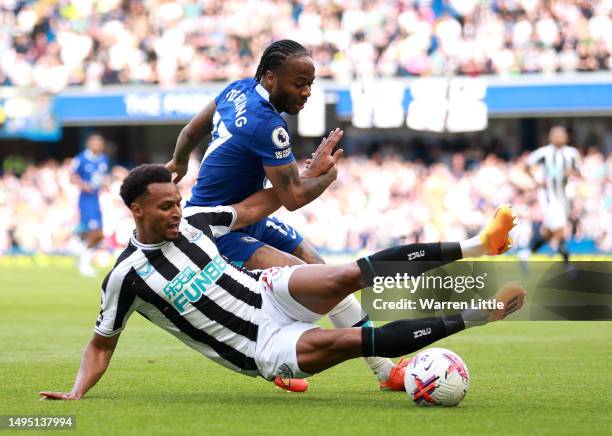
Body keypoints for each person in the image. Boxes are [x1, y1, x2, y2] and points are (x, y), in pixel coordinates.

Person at [40, 164, 525, 401]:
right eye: (165, 207)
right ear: (137, 210)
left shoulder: (198, 223)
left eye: (178, 203)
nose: (176, 213)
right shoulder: (126, 276)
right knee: (358, 340)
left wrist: (303, 180)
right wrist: (78, 392)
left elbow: (254, 208)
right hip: (263, 346)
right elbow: (101, 344)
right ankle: (481, 314)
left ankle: (477, 245)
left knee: (349, 273)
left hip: (266, 291)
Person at [166, 40, 398, 392]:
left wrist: (180, 161)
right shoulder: (269, 126)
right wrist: (327, 175)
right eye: (298, 83)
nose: (306, 92)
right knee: (303, 277)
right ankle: (281, 358)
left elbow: (190, 131)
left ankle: (383, 370)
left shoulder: (238, 88)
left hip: (249, 211)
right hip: (217, 225)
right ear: (271, 78)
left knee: (320, 268)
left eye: (310, 83)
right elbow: (293, 197)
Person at [524, 126, 580, 263]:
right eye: (555, 134)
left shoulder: (572, 153)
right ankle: (568, 265)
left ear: (567, 137)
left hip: (564, 197)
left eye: (561, 134)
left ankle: (526, 253)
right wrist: (537, 180)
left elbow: (579, 172)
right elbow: (526, 166)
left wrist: (571, 173)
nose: (559, 137)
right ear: (550, 137)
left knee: (549, 233)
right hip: (549, 198)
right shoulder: (543, 153)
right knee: (560, 231)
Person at [70, 133, 110, 276]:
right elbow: (72, 176)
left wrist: (106, 183)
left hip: (97, 198)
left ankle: (78, 248)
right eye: (94, 142)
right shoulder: (81, 159)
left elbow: (102, 177)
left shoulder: (104, 159)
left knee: (99, 234)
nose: (97, 145)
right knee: (94, 232)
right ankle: (84, 264)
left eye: (99, 142)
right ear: (88, 144)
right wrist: (83, 184)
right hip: (86, 199)